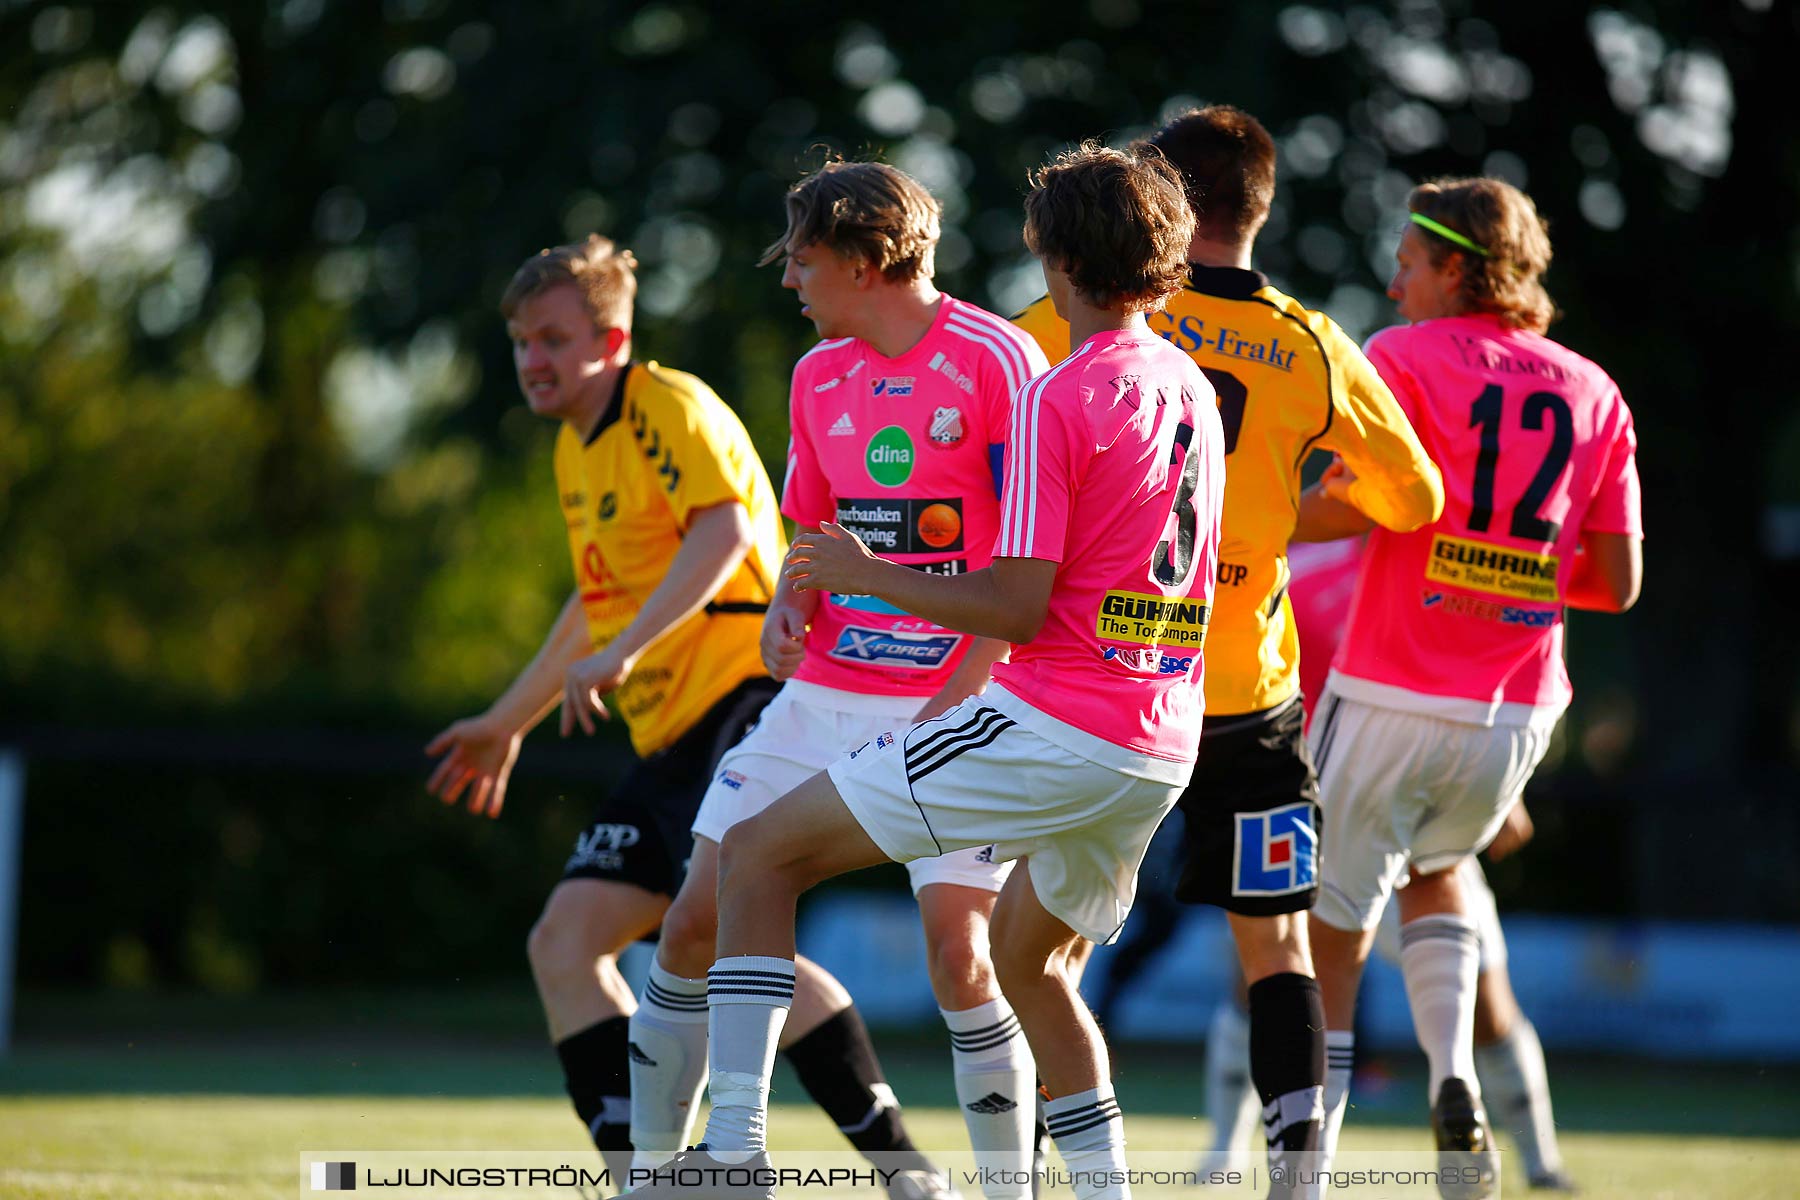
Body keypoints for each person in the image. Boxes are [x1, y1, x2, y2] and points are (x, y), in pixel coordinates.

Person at [624, 141, 1220, 1200]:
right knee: (1034, 971)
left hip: (1047, 721)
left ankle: (733, 1163)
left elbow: (1016, 602)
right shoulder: (1187, 384)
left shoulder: (1045, 387)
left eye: (802, 260)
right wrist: (809, 589)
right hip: (1157, 735)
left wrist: (868, 573)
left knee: (760, 860)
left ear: (1051, 252)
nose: (793, 281)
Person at [425, 236, 940, 1189]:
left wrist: (625, 653)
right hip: (670, 738)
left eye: (553, 339)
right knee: (569, 943)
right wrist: (509, 719)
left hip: (747, 700)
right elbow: (595, 599)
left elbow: (728, 528)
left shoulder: (666, 403)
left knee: (718, 929)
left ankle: (893, 1168)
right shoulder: (579, 451)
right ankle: (643, 1172)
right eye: (521, 342)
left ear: (612, 339)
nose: (532, 359)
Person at [1013, 105, 1444, 1186]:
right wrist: (1274, 523)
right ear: (1260, 204)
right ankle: (1299, 1178)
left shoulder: (1070, 307)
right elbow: (1416, 495)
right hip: (1245, 692)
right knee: (1276, 950)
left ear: (1156, 194)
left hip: (1101, 685)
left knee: (1039, 951)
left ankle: (1023, 1162)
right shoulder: (1310, 340)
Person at [625, 159, 1048, 1200]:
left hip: (965, 699)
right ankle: (692, 1169)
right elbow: (810, 526)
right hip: (826, 693)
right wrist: (788, 604)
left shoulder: (1000, 360)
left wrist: (977, 683)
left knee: (963, 956)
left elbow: (1034, 551)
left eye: (803, 261)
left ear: (865, 263)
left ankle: (1009, 1193)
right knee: (692, 917)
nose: (789, 283)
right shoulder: (818, 374)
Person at [1299, 177, 1643, 1199]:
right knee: (1440, 871)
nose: (1395, 285)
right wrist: (1513, 567)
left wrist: (1242, 523)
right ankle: (1453, 1078)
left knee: (1331, 931)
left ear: (1457, 267)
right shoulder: (1594, 388)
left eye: (1406, 264)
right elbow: (1619, 584)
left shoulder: (1398, 359)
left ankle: (1304, 1171)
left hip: (1391, 685)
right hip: (1520, 706)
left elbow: (1345, 506)